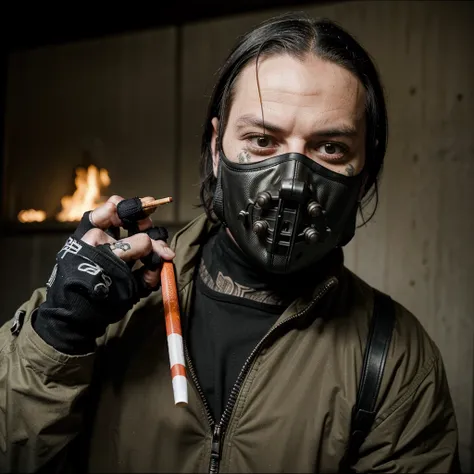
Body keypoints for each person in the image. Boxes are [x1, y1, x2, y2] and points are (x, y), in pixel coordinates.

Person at [0, 12, 461, 474]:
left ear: (365, 172)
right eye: (262, 140)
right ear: (218, 148)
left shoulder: (396, 357)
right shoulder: (110, 307)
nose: (292, 184)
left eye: (330, 148)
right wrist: (56, 335)